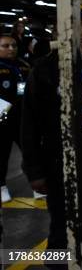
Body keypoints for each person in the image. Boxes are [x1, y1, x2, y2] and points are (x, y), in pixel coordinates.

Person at [20, 6, 82, 269]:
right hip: (59, 163)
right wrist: (34, 171)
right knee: (61, 227)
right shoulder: (43, 70)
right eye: (77, 26)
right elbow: (29, 125)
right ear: (60, 29)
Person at [0, 34, 30, 203]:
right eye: (5, 46)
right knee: (2, 154)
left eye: (13, 45)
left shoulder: (24, 66)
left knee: (30, 150)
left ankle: (37, 183)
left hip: (22, 116)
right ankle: (1, 186)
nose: (11, 49)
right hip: (2, 116)